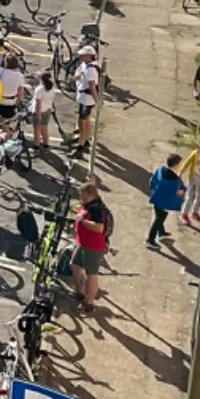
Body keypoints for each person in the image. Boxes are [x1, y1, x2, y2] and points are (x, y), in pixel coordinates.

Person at [71, 182, 110, 313]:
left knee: (91, 274)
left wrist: (82, 221)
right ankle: (80, 292)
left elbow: (99, 228)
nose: (81, 198)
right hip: (83, 243)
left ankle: (89, 303)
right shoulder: (87, 205)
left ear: (91, 195)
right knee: (74, 265)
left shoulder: (95, 208)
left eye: (83, 195)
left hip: (93, 246)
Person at [147, 154, 186, 249]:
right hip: (164, 203)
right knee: (159, 219)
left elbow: (152, 180)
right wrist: (181, 191)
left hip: (156, 198)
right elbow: (177, 192)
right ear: (176, 165)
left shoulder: (160, 170)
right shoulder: (174, 180)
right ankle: (150, 240)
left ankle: (161, 232)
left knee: (158, 216)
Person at [72, 45, 100, 156]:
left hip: (86, 100)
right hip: (83, 97)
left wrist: (97, 100)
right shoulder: (86, 65)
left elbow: (92, 87)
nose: (80, 56)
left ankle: (80, 146)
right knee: (86, 119)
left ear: (89, 56)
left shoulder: (91, 70)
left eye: (83, 55)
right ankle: (86, 139)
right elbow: (77, 74)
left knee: (82, 122)